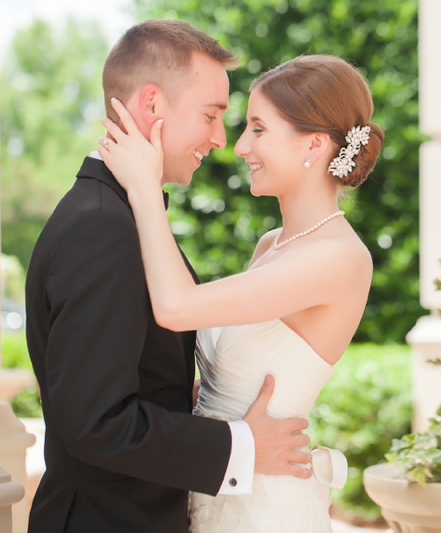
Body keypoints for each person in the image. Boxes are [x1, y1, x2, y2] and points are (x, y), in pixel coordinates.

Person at [25, 20, 312, 533]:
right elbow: (95, 423)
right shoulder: (100, 227)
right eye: (211, 115)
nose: (221, 139)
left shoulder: (119, 215)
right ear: (153, 104)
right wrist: (242, 445)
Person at [99, 54, 383, 532]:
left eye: (258, 129)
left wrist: (144, 187)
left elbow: (177, 307)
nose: (240, 146)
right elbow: (225, 382)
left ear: (313, 143)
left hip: (264, 507)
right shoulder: (272, 244)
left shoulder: (339, 258)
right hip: (219, 483)